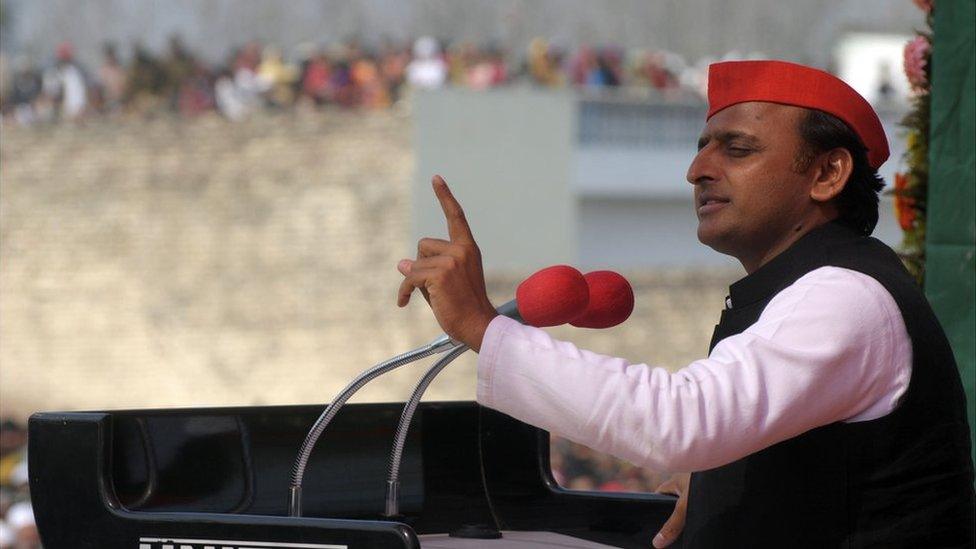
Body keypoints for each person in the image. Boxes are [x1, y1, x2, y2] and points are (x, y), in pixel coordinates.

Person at [396, 60, 975, 547]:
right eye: (702, 150)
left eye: (737, 149)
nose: (697, 171)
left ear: (826, 173)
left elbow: (683, 421)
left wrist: (482, 326)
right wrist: (730, 476)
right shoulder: (814, 284)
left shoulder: (847, 296)